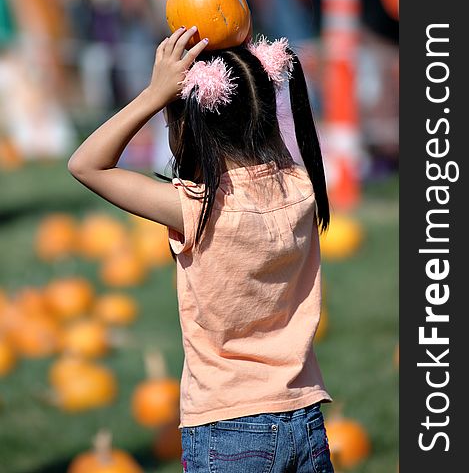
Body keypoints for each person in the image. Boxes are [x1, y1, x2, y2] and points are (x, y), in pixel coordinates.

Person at [67, 25, 335, 473]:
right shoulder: (301, 186)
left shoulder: (199, 207)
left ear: (187, 124)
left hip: (227, 427)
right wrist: (242, 68)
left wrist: (154, 94)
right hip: (302, 416)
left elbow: (86, 164)